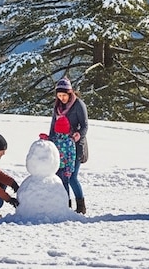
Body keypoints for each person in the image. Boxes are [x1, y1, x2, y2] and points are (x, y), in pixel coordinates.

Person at [50, 77, 89, 214]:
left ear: (70, 93)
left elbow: (84, 126)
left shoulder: (78, 105)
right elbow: (53, 125)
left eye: (64, 95)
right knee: (61, 177)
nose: (62, 98)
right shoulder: (57, 106)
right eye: (59, 95)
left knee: (72, 177)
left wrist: (77, 135)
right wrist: (50, 140)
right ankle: (65, 205)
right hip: (61, 145)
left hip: (76, 146)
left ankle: (81, 205)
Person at [41, 115, 77, 201]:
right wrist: (70, 169)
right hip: (63, 168)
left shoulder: (55, 140)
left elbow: (49, 144)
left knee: (57, 185)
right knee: (64, 185)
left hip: (56, 167)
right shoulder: (69, 141)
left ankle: (60, 202)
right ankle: (66, 202)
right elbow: (72, 157)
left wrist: (45, 138)